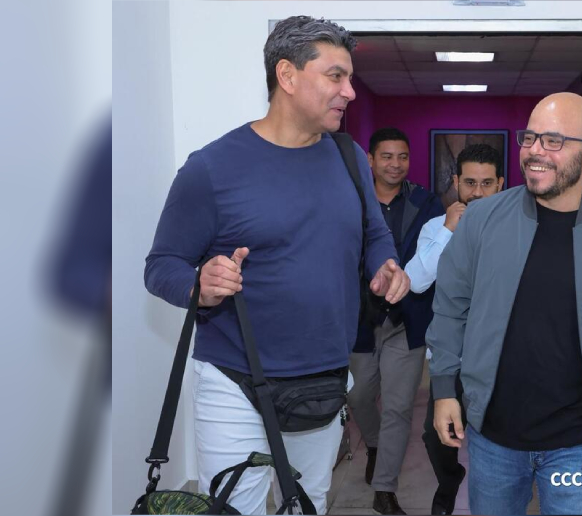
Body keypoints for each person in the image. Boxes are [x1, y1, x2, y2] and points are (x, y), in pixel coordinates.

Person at [144, 16, 410, 515]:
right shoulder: (212, 168)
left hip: (325, 379)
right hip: (234, 380)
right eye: (335, 76)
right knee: (235, 508)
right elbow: (161, 266)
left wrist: (386, 264)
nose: (350, 92)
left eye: (350, 78)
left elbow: (375, 233)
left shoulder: (350, 157)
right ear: (287, 75)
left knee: (306, 505)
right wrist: (200, 282)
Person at [427, 92, 582, 515]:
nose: (535, 151)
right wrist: (445, 390)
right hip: (494, 437)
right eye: (530, 137)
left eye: (553, 140)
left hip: (581, 443)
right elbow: (450, 308)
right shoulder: (481, 220)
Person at [347, 127, 445, 515]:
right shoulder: (353, 201)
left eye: (402, 156)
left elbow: (435, 255)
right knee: (358, 396)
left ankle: (384, 489)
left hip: (408, 319)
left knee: (399, 407)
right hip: (361, 318)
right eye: (387, 156)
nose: (395, 164)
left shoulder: (426, 202)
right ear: (370, 160)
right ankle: (374, 444)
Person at [405, 143, 504, 515]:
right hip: (452, 355)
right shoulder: (436, 227)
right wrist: (449, 230)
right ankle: (450, 481)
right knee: (436, 436)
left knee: (497, 433)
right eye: (470, 183)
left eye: (487, 183)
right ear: (456, 182)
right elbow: (416, 282)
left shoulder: (515, 227)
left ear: (501, 184)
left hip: (501, 353)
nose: (477, 192)